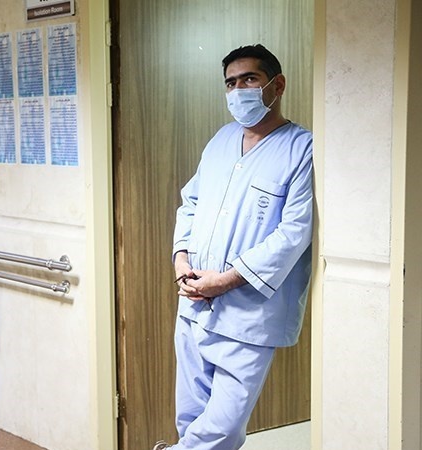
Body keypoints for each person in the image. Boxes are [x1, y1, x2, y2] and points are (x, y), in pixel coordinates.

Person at [154, 44, 313, 450]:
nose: (238, 90)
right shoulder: (221, 140)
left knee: (222, 428)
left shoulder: (302, 149)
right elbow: (190, 202)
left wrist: (225, 281)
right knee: (190, 419)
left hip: (248, 314)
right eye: (231, 83)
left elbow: (294, 232)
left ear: (277, 85)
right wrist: (181, 260)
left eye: (249, 79)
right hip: (194, 302)